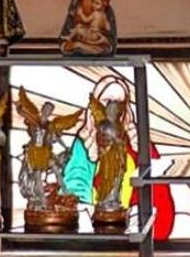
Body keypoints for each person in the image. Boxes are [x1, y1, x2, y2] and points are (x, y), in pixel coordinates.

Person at [63, 73, 176, 238]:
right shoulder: (84, 144)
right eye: (107, 101)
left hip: (129, 229)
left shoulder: (137, 142)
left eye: (120, 102)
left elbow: (157, 194)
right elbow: (75, 184)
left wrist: (142, 151)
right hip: (94, 229)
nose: (113, 107)